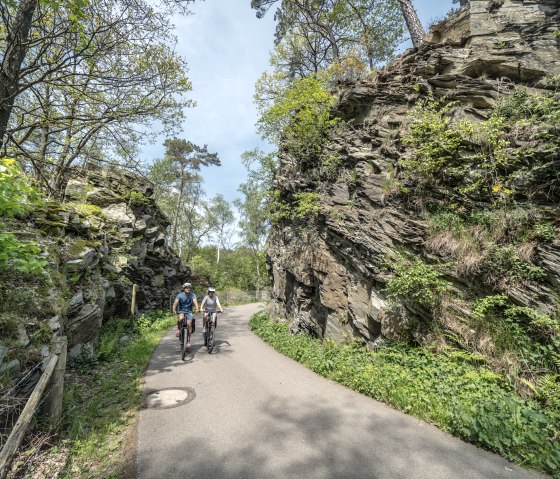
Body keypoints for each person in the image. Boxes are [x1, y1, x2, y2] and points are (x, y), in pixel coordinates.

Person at [172, 282, 199, 349]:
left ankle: (188, 341)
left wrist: (197, 309)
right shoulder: (180, 295)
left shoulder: (192, 295)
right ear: (184, 289)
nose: (188, 289)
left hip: (189, 311)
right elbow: (175, 303)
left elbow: (195, 302)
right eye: (186, 288)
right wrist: (174, 310)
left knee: (189, 324)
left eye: (189, 288)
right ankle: (178, 329)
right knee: (181, 318)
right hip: (181, 311)